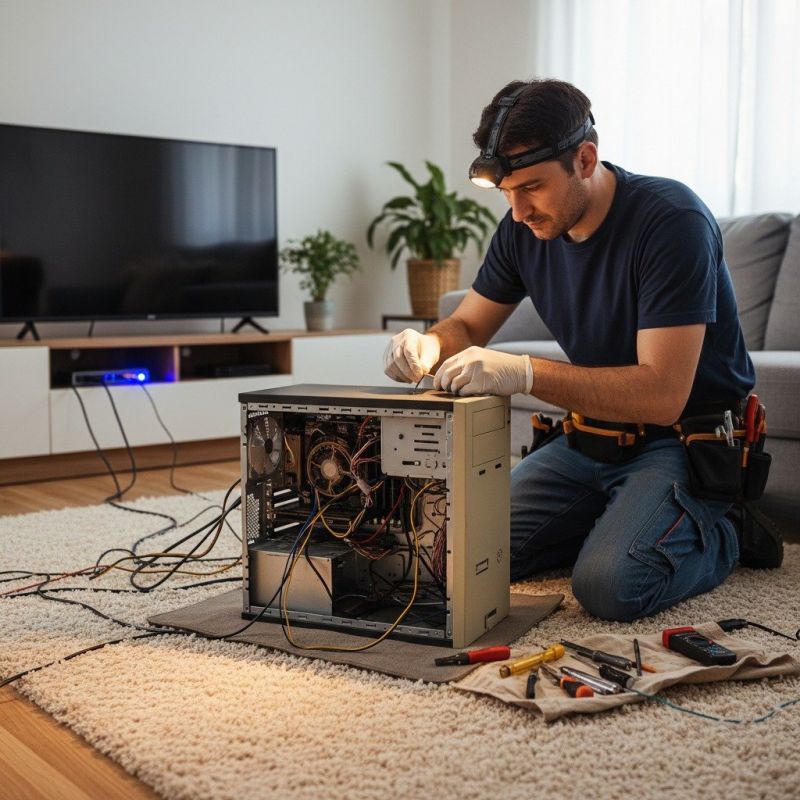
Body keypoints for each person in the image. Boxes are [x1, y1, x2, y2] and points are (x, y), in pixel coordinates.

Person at [383, 78, 782, 622]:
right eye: (505, 192)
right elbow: (469, 322)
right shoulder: (523, 227)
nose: (518, 210)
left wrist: (523, 372)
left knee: (608, 585)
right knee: (442, 553)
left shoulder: (671, 222)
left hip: (682, 440)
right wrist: (428, 342)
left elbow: (662, 395)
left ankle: (726, 529)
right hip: (591, 440)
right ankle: (621, 522)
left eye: (531, 187)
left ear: (585, 159)